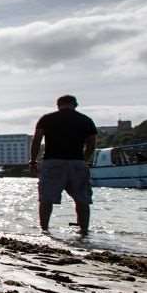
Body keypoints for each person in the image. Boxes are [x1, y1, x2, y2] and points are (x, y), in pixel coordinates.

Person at [30, 95, 97, 235]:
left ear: (58, 105)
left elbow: (36, 140)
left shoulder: (47, 119)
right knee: (82, 199)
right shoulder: (86, 120)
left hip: (52, 161)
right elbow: (92, 144)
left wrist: (33, 160)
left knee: (46, 199)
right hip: (77, 162)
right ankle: (84, 232)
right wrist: (84, 159)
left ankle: (44, 230)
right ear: (75, 105)